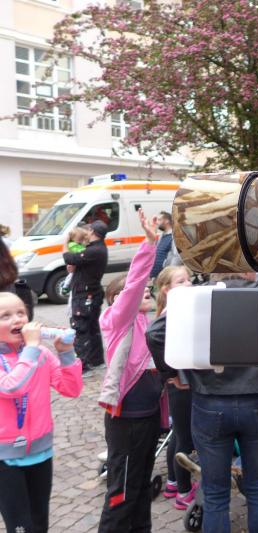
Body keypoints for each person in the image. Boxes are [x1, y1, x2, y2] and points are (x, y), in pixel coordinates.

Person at [181, 272, 258, 533]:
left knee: (215, 494)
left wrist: (178, 373)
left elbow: (157, 332)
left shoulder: (198, 296)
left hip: (210, 399)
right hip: (257, 397)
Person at [97, 210, 165, 533]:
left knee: (141, 489)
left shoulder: (147, 322)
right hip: (127, 421)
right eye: (138, 292)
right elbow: (136, 283)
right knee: (122, 493)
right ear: (117, 300)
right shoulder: (117, 320)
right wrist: (149, 245)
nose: (146, 291)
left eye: (148, 290)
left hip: (149, 418)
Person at [0, 292, 83, 533]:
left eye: (21, 313)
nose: (17, 319)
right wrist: (32, 349)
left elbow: (71, 389)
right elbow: (11, 387)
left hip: (40, 452)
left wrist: (66, 353)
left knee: (39, 523)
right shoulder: (34, 352)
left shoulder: (41, 354)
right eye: (5, 316)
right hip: (5, 458)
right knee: (20, 526)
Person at [146, 265, 195, 509]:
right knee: (185, 438)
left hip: (179, 383)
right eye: (181, 281)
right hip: (182, 384)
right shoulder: (173, 311)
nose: (188, 284)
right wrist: (172, 374)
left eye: (188, 279)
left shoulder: (177, 308)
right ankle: (184, 492)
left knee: (178, 434)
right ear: (166, 289)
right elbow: (153, 335)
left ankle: (174, 483)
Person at [63, 219, 109, 371]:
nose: (86, 232)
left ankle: (83, 366)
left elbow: (69, 257)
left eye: (88, 230)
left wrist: (65, 242)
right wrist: (74, 268)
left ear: (92, 232)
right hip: (92, 293)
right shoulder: (96, 248)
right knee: (92, 328)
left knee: (80, 329)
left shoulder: (94, 250)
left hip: (85, 295)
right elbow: (79, 264)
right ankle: (97, 361)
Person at [61, 225, 91, 299]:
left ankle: (66, 286)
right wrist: (85, 249)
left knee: (72, 275)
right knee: (71, 276)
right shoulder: (72, 245)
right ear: (73, 238)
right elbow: (79, 250)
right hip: (73, 264)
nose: (80, 241)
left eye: (81, 239)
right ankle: (65, 286)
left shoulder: (77, 244)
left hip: (76, 264)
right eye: (79, 239)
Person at [149, 212, 174, 281]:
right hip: (157, 276)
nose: (157, 222)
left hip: (166, 277)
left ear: (167, 221)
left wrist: (169, 275)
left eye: (159, 220)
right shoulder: (162, 236)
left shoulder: (174, 236)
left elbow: (176, 257)